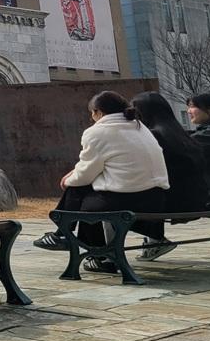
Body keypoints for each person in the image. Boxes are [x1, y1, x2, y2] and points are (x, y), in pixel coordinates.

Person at [33, 91, 169, 273]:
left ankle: (92, 251)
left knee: (82, 196)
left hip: (128, 199)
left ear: (98, 112)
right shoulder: (138, 126)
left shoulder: (97, 132)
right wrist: (76, 175)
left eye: (92, 113)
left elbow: (85, 174)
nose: (92, 117)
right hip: (155, 198)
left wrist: (67, 180)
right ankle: (65, 236)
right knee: (87, 193)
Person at [130, 91, 208, 260]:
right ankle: (155, 240)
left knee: (110, 204)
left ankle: (106, 254)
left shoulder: (153, 135)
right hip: (196, 199)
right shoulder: (181, 134)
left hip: (174, 202)